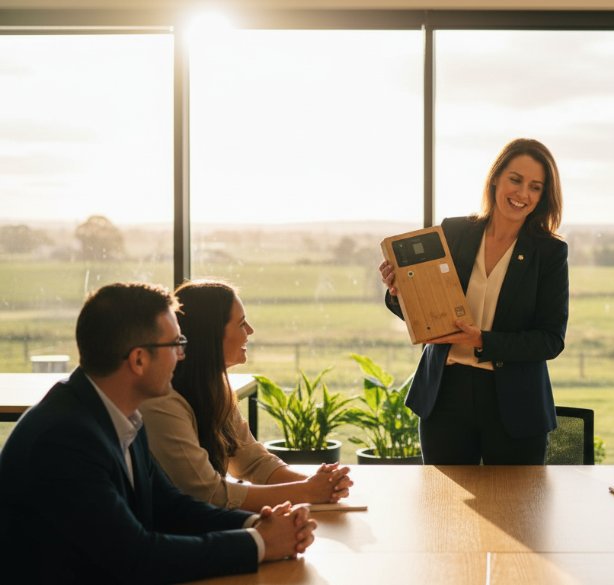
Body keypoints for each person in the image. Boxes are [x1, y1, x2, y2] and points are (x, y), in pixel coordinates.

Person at [0, 282, 317, 583]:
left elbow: (171, 507)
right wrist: (258, 544)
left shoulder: (122, 414)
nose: (182, 355)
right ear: (138, 359)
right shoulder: (65, 439)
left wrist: (257, 524)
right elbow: (136, 557)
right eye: (176, 344)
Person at [379, 137, 568, 464]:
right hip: (445, 395)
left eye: (535, 187)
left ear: (543, 196)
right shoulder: (455, 232)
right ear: (496, 177)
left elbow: (550, 340)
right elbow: (425, 312)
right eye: (515, 180)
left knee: (515, 512)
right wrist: (400, 292)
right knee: (444, 509)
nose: (522, 194)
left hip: (514, 402)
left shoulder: (549, 252)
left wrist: (481, 340)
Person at [139, 280, 353, 512]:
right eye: (241, 323)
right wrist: (307, 491)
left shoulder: (214, 388)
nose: (250, 330)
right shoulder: (163, 402)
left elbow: (253, 461)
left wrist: (319, 484)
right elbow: (209, 494)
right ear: (211, 335)